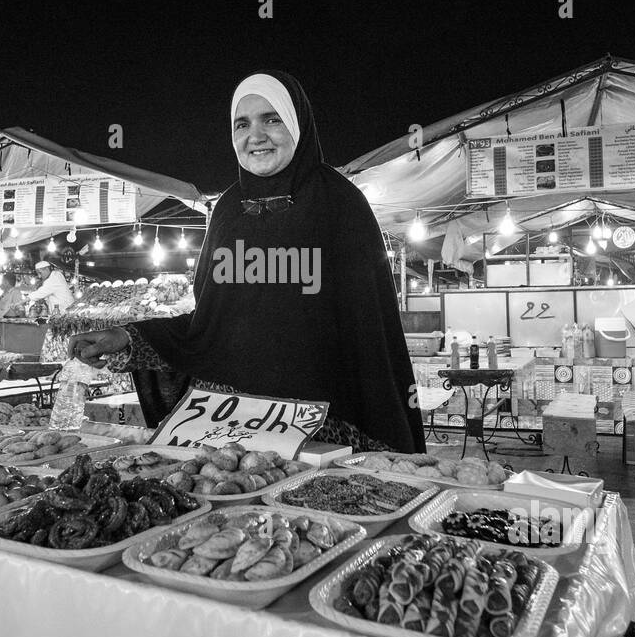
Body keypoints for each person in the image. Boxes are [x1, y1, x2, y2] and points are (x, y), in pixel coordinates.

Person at [68, 69, 425, 453]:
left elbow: (370, 331)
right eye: (242, 123)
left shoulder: (339, 205)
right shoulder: (227, 211)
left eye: (272, 119)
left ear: (297, 124)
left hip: (322, 431)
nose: (255, 136)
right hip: (231, 429)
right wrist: (125, 337)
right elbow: (206, 327)